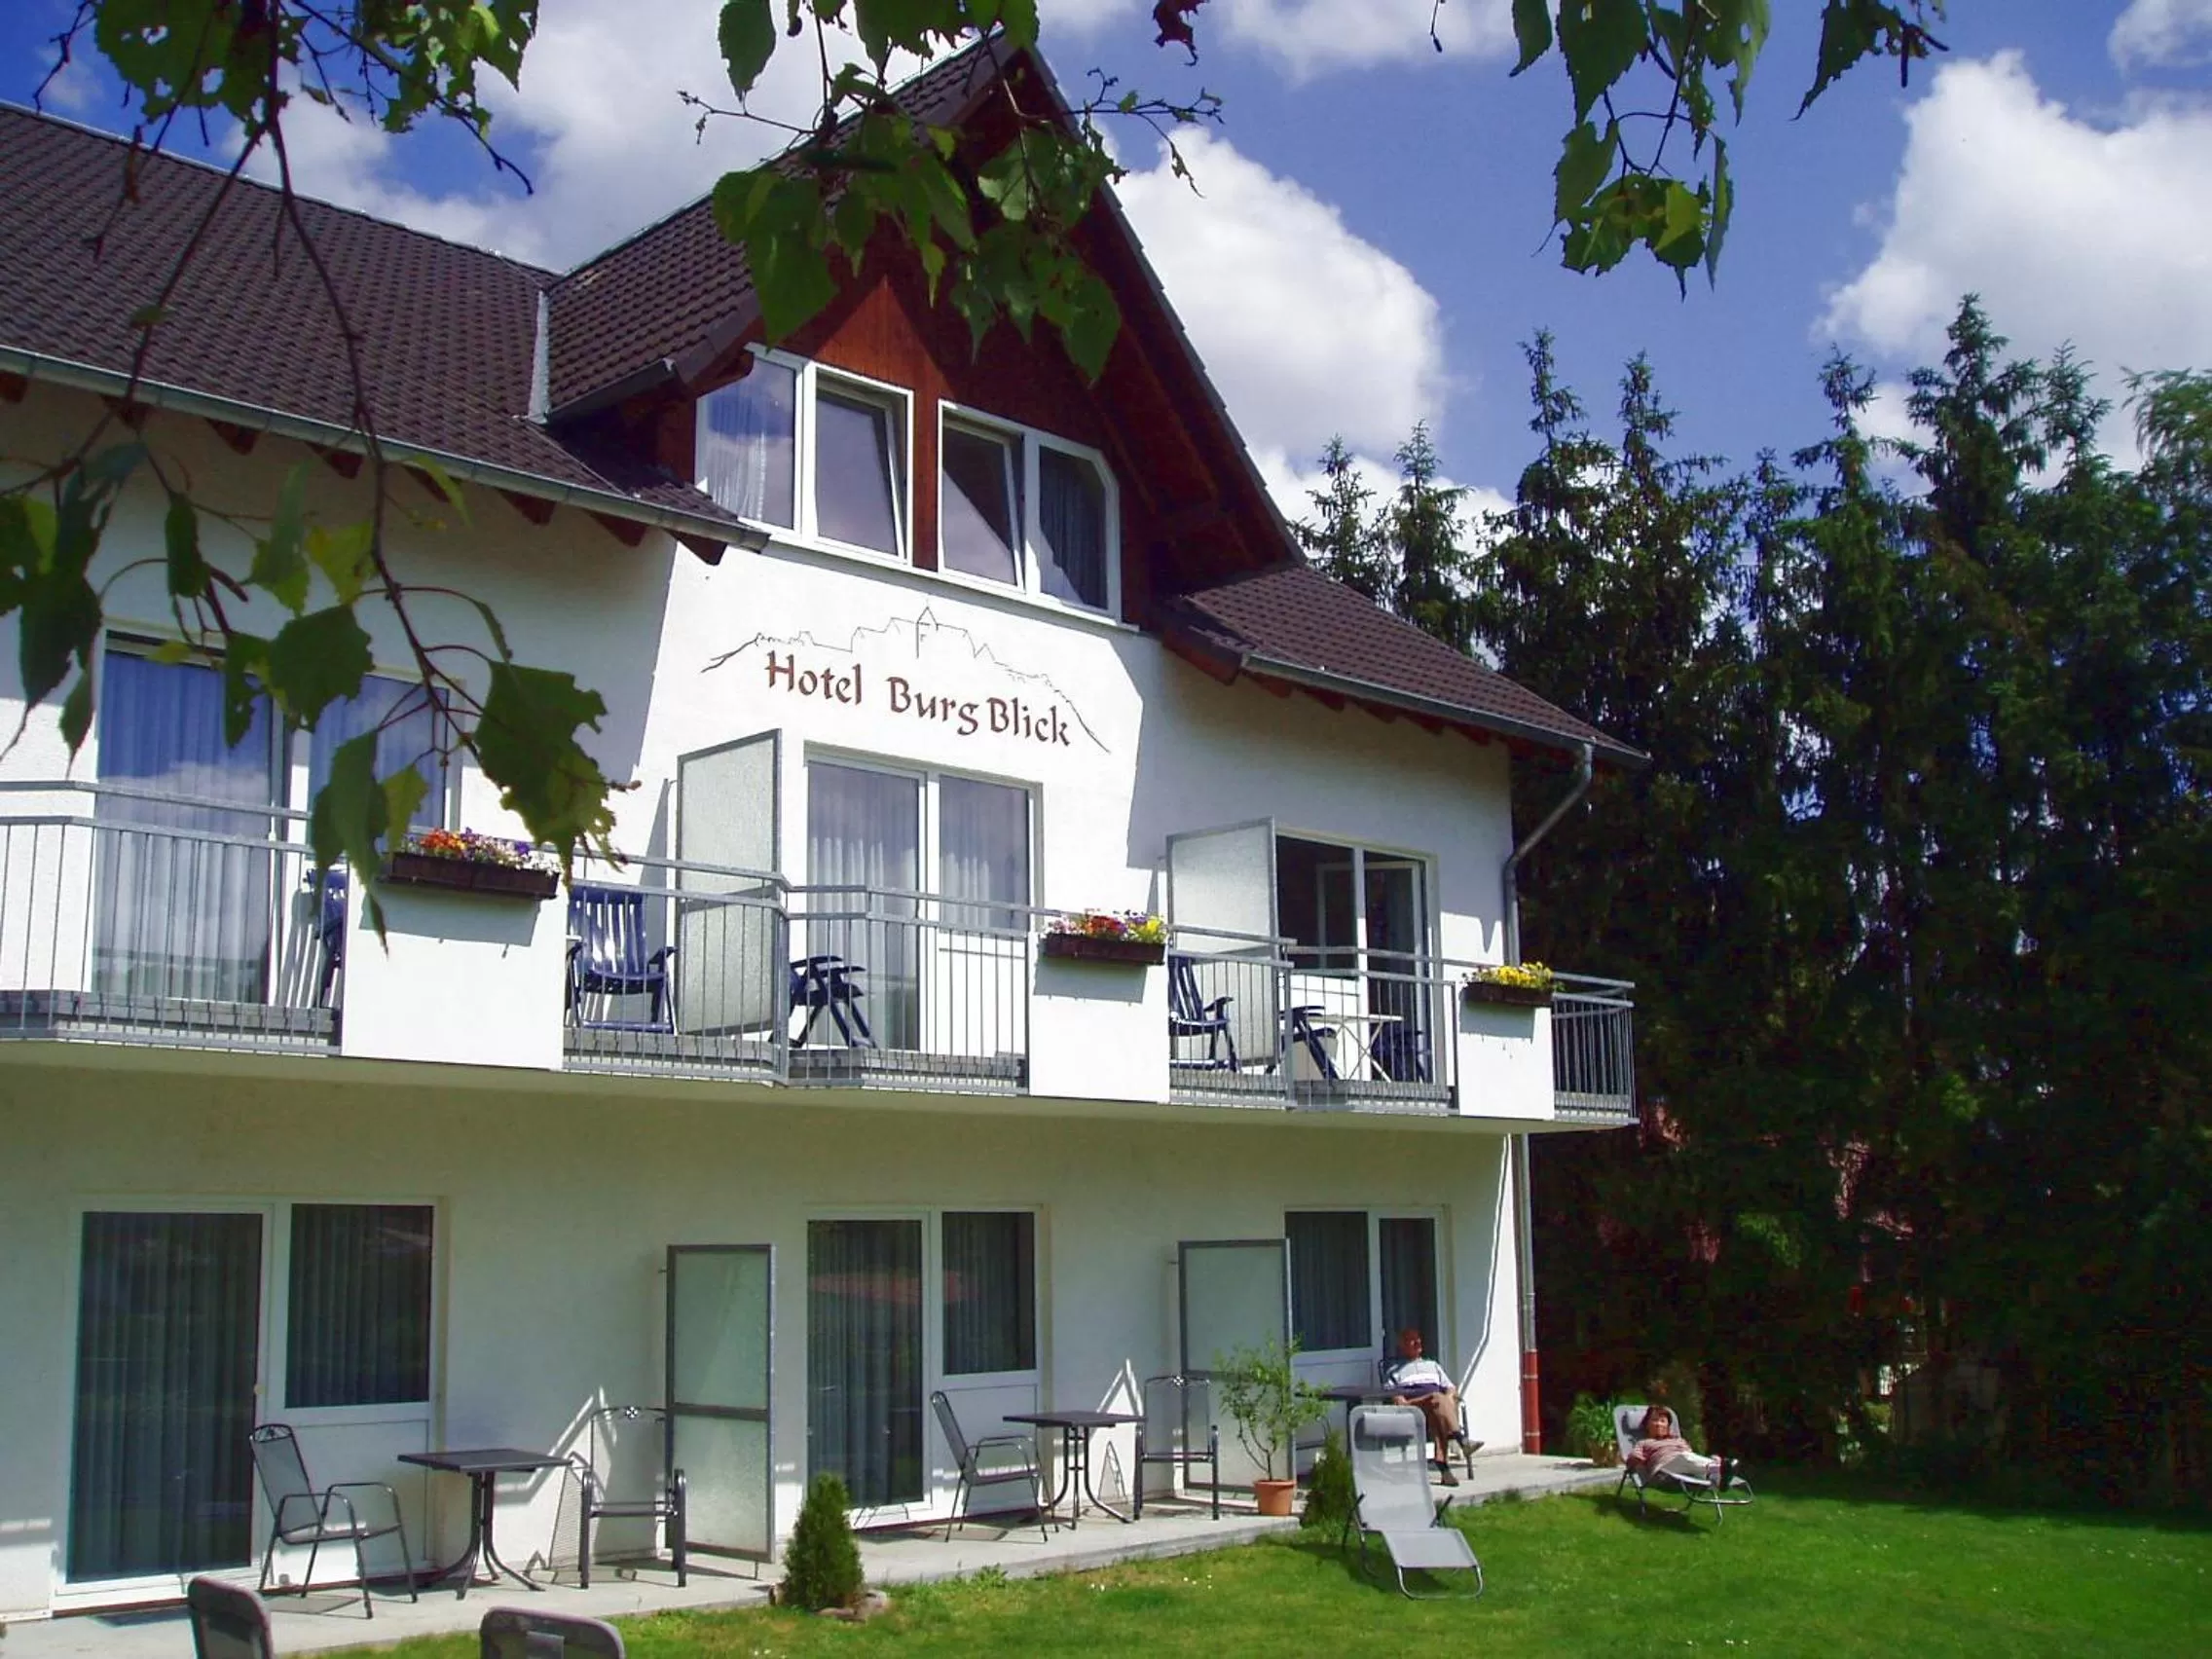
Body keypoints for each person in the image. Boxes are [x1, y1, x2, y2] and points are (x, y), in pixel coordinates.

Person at [1383, 1327, 1460, 1485]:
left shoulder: (1433, 1365)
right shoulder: (1394, 1371)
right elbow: (1398, 1400)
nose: (1417, 1342)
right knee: (1436, 1398)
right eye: (1412, 1340)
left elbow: (1451, 1387)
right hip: (1413, 1407)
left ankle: (1444, 1468)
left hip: (1434, 1406)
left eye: (1418, 1339)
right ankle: (1460, 1438)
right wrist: (1440, 1399)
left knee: (1438, 1408)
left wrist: (1449, 1397)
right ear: (1403, 1346)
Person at [1624, 1404, 1719, 1482]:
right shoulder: (1644, 1443)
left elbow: (1692, 1458)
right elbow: (1633, 1457)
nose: (1658, 1424)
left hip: (1684, 1469)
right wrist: (1640, 1466)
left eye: (1662, 1421)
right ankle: (1718, 1467)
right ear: (1647, 1425)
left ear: (1667, 1427)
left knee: (1691, 1461)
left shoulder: (1678, 1440)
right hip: (1663, 1471)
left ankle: (1717, 1472)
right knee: (1684, 1457)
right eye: (1654, 1420)